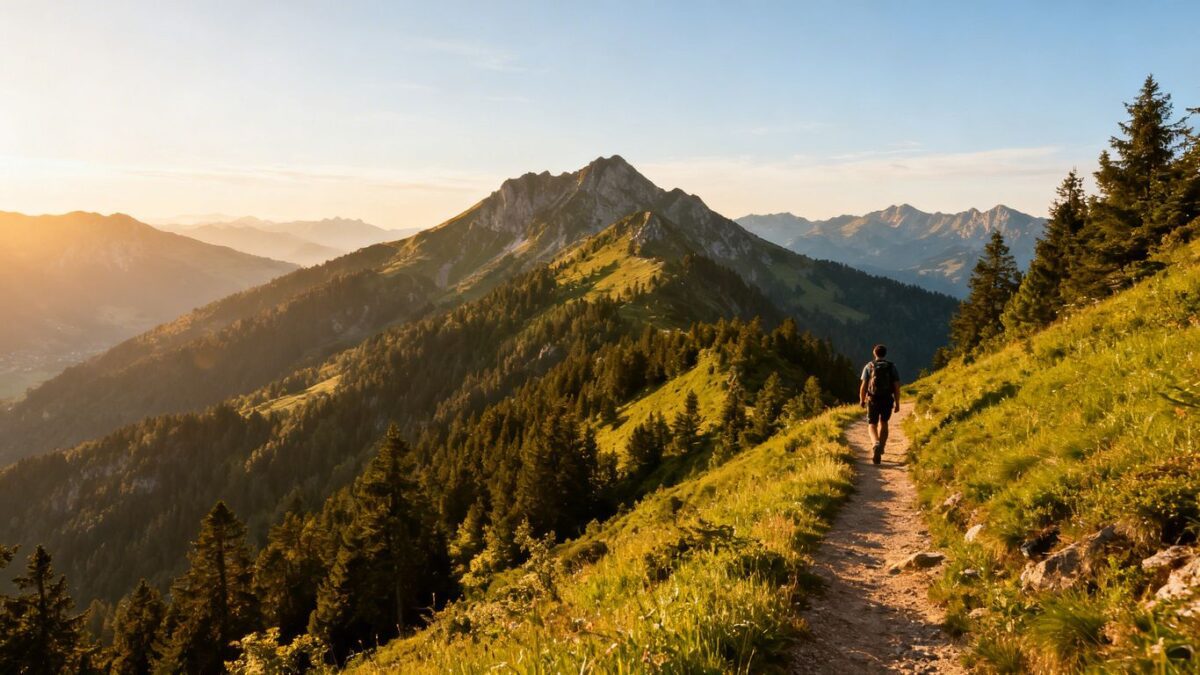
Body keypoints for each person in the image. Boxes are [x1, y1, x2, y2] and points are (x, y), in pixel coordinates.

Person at [859, 344, 900, 465]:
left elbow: (864, 386)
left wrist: (862, 399)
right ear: (885, 354)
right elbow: (897, 386)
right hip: (887, 399)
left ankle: (875, 443)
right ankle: (881, 446)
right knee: (884, 423)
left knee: (872, 424)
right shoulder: (891, 367)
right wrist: (897, 403)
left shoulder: (869, 366)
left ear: (874, 353)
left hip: (873, 399)